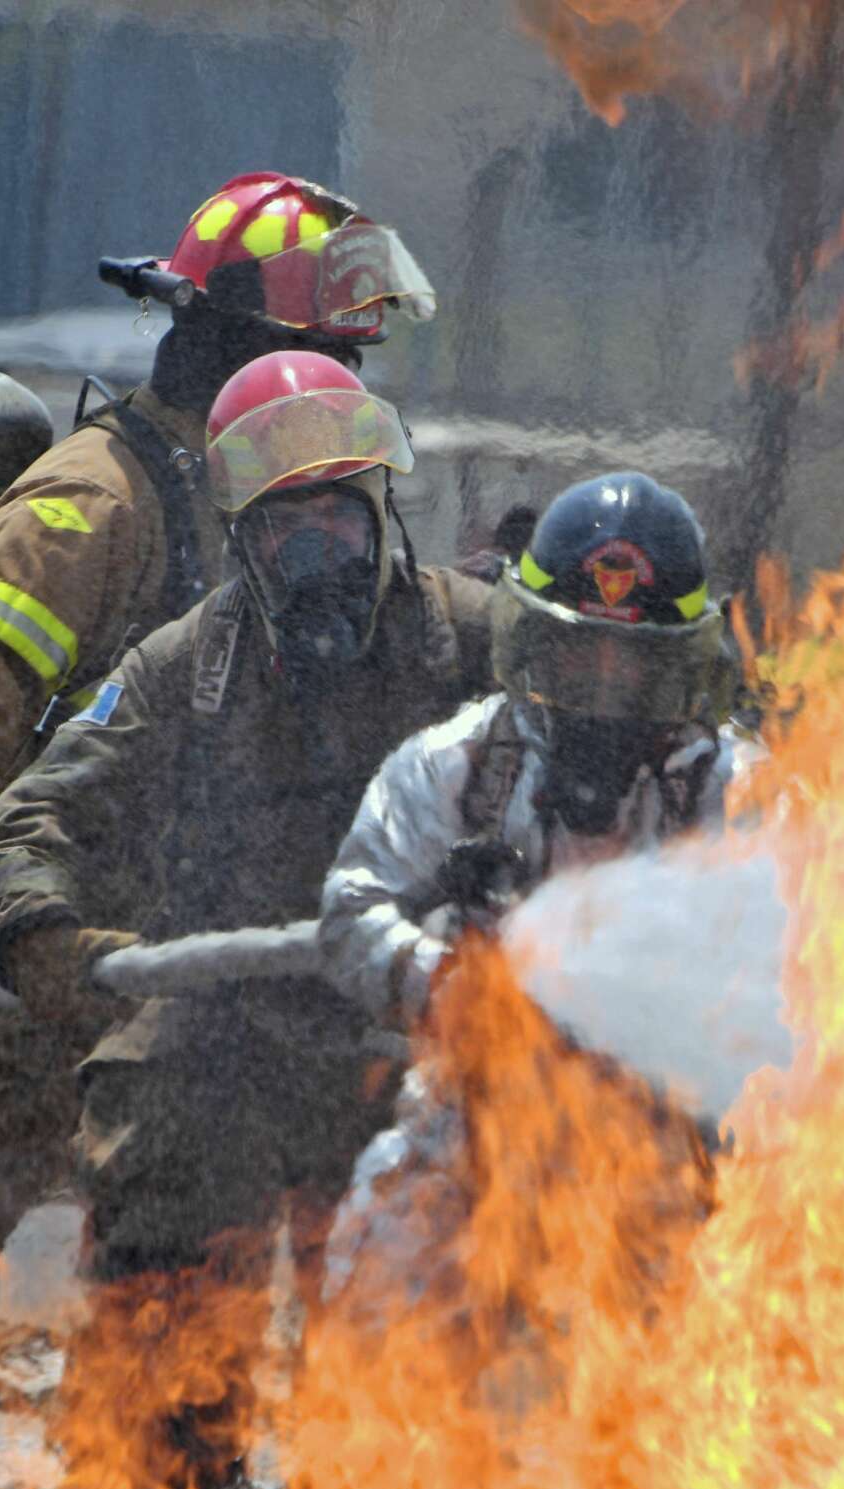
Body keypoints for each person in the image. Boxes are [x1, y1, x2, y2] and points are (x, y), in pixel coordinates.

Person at [0, 170, 440, 1402]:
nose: (352, 386)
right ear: (251, 337)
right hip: (45, 952)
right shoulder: (99, 499)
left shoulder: (273, 492)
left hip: (188, 980)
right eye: (337, 351)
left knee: (182, 1305)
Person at [0, 351, 493, 1489]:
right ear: (244, 543)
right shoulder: (178, 669)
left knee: (407, 1366)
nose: (321, 556)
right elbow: (37, 816)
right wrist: (43, 927)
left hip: (402, 1040)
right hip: (218, 1045)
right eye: (288, 526)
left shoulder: (467, 640)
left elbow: (604, 735)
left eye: (339, 521)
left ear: (382, 518)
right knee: (163, 1352)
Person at [316, 470, 756, 1312]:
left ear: (686, 667)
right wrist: (443, 979)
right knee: (379, 1287)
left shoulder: (740, 793)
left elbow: (815, 964)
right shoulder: (461, 766)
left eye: (635, 665)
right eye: (579, 654)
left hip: (673, 1157)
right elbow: (350, 909)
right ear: (529, 644)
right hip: (473, 1130)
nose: (603, 685)